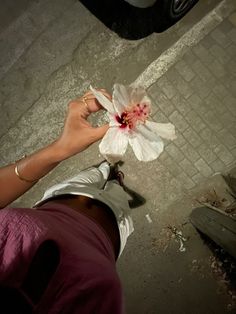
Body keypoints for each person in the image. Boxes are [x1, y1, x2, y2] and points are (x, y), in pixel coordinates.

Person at [0, 90, 134, 314]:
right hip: (116, 225)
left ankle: (106, 170)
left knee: (98, 172)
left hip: (64, 194)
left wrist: (59, 149)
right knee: (117, 191)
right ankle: (116, 182)